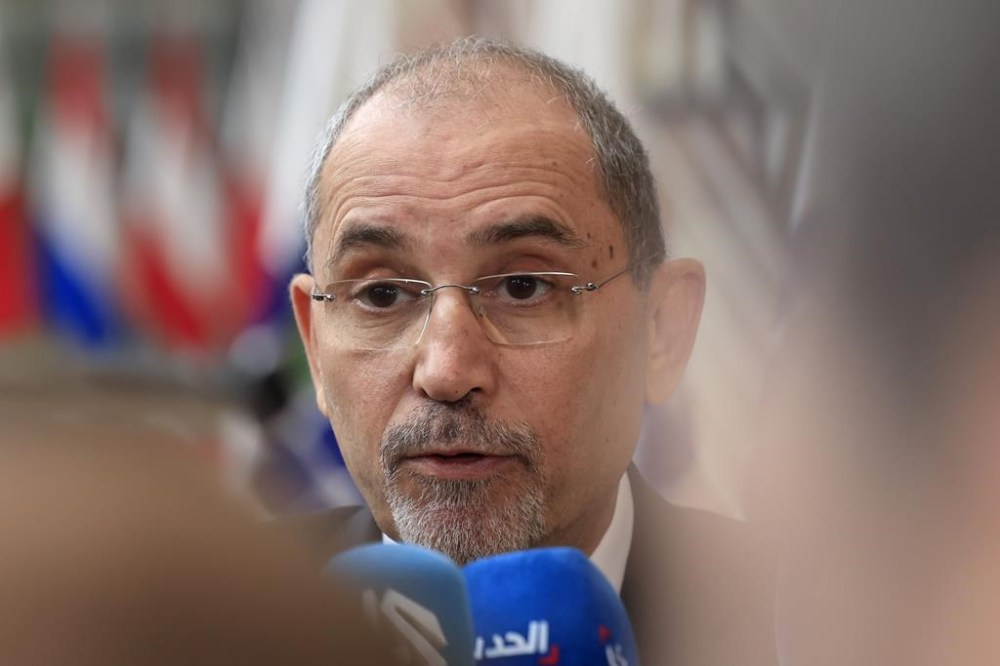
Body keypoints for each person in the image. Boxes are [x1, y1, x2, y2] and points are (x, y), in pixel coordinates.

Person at [288, 37, 776, 665]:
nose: (445, 371)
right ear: (315, 349)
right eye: (382, 295)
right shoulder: (201, 630)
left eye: (524, 287)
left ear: (662, 330)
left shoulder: (827, 629)